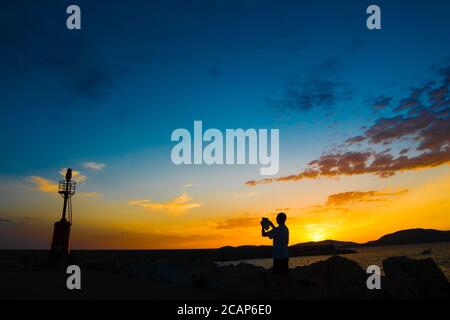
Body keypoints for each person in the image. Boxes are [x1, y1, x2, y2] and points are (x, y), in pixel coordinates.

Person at [261, 212, 289, 294]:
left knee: (277, 276)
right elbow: (276, 231)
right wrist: (272, 225)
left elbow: (263, 234)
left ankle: (282, 292)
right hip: (285, 255)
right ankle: (287, 292)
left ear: (279, 219)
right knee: (285, 275)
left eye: (277, 218)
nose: (276, 219)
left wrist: (263, 226)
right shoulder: (285, 228)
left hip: (278, 256)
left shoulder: (277, 230)